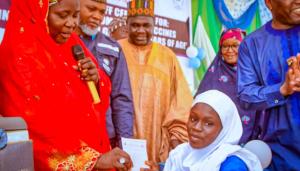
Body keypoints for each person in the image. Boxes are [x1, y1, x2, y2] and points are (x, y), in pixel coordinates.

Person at [0, 0, 132, 170]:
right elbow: (32, 127)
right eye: (62, 16)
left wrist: (96, 80)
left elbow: (98, 100)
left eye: (75, 15)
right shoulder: (18, 57)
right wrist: (90, 161)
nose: (72, 24)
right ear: (40, 13)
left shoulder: (72, 44)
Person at [118, 0, 193, 162]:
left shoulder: (167, 56)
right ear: (127, 24)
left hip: (157, 138)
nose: (141, 30)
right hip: (120, 136)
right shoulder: (116, 50)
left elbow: (180, 100)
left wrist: (176, 136)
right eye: (135, 25)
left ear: (153, 25)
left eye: (146, 25)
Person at [237, 0, 300, 170]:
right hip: (279, 155)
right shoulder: (252, 45)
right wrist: (282, 89)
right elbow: (245, 96)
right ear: (269, 3)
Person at [76, 0, 134, 148]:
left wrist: (124, 145)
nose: (97, 17)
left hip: (105, 137)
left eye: (102, 12)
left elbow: (121, 99)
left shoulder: (113, 48)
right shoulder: (58, 40)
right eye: (91, 9)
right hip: (70, 134)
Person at [163, 90, 262, 171]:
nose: (196, 127)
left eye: (208, 123)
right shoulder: (181, 154)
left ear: (225, 130)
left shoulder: (232, 165)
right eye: (193, 119)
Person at [195, 28, 255, 144]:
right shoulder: (214, 72)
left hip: (250, 136)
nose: (229, 50)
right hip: (216, 137)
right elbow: (200, 103)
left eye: (235, 45)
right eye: (225, 46)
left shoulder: (253, 73)